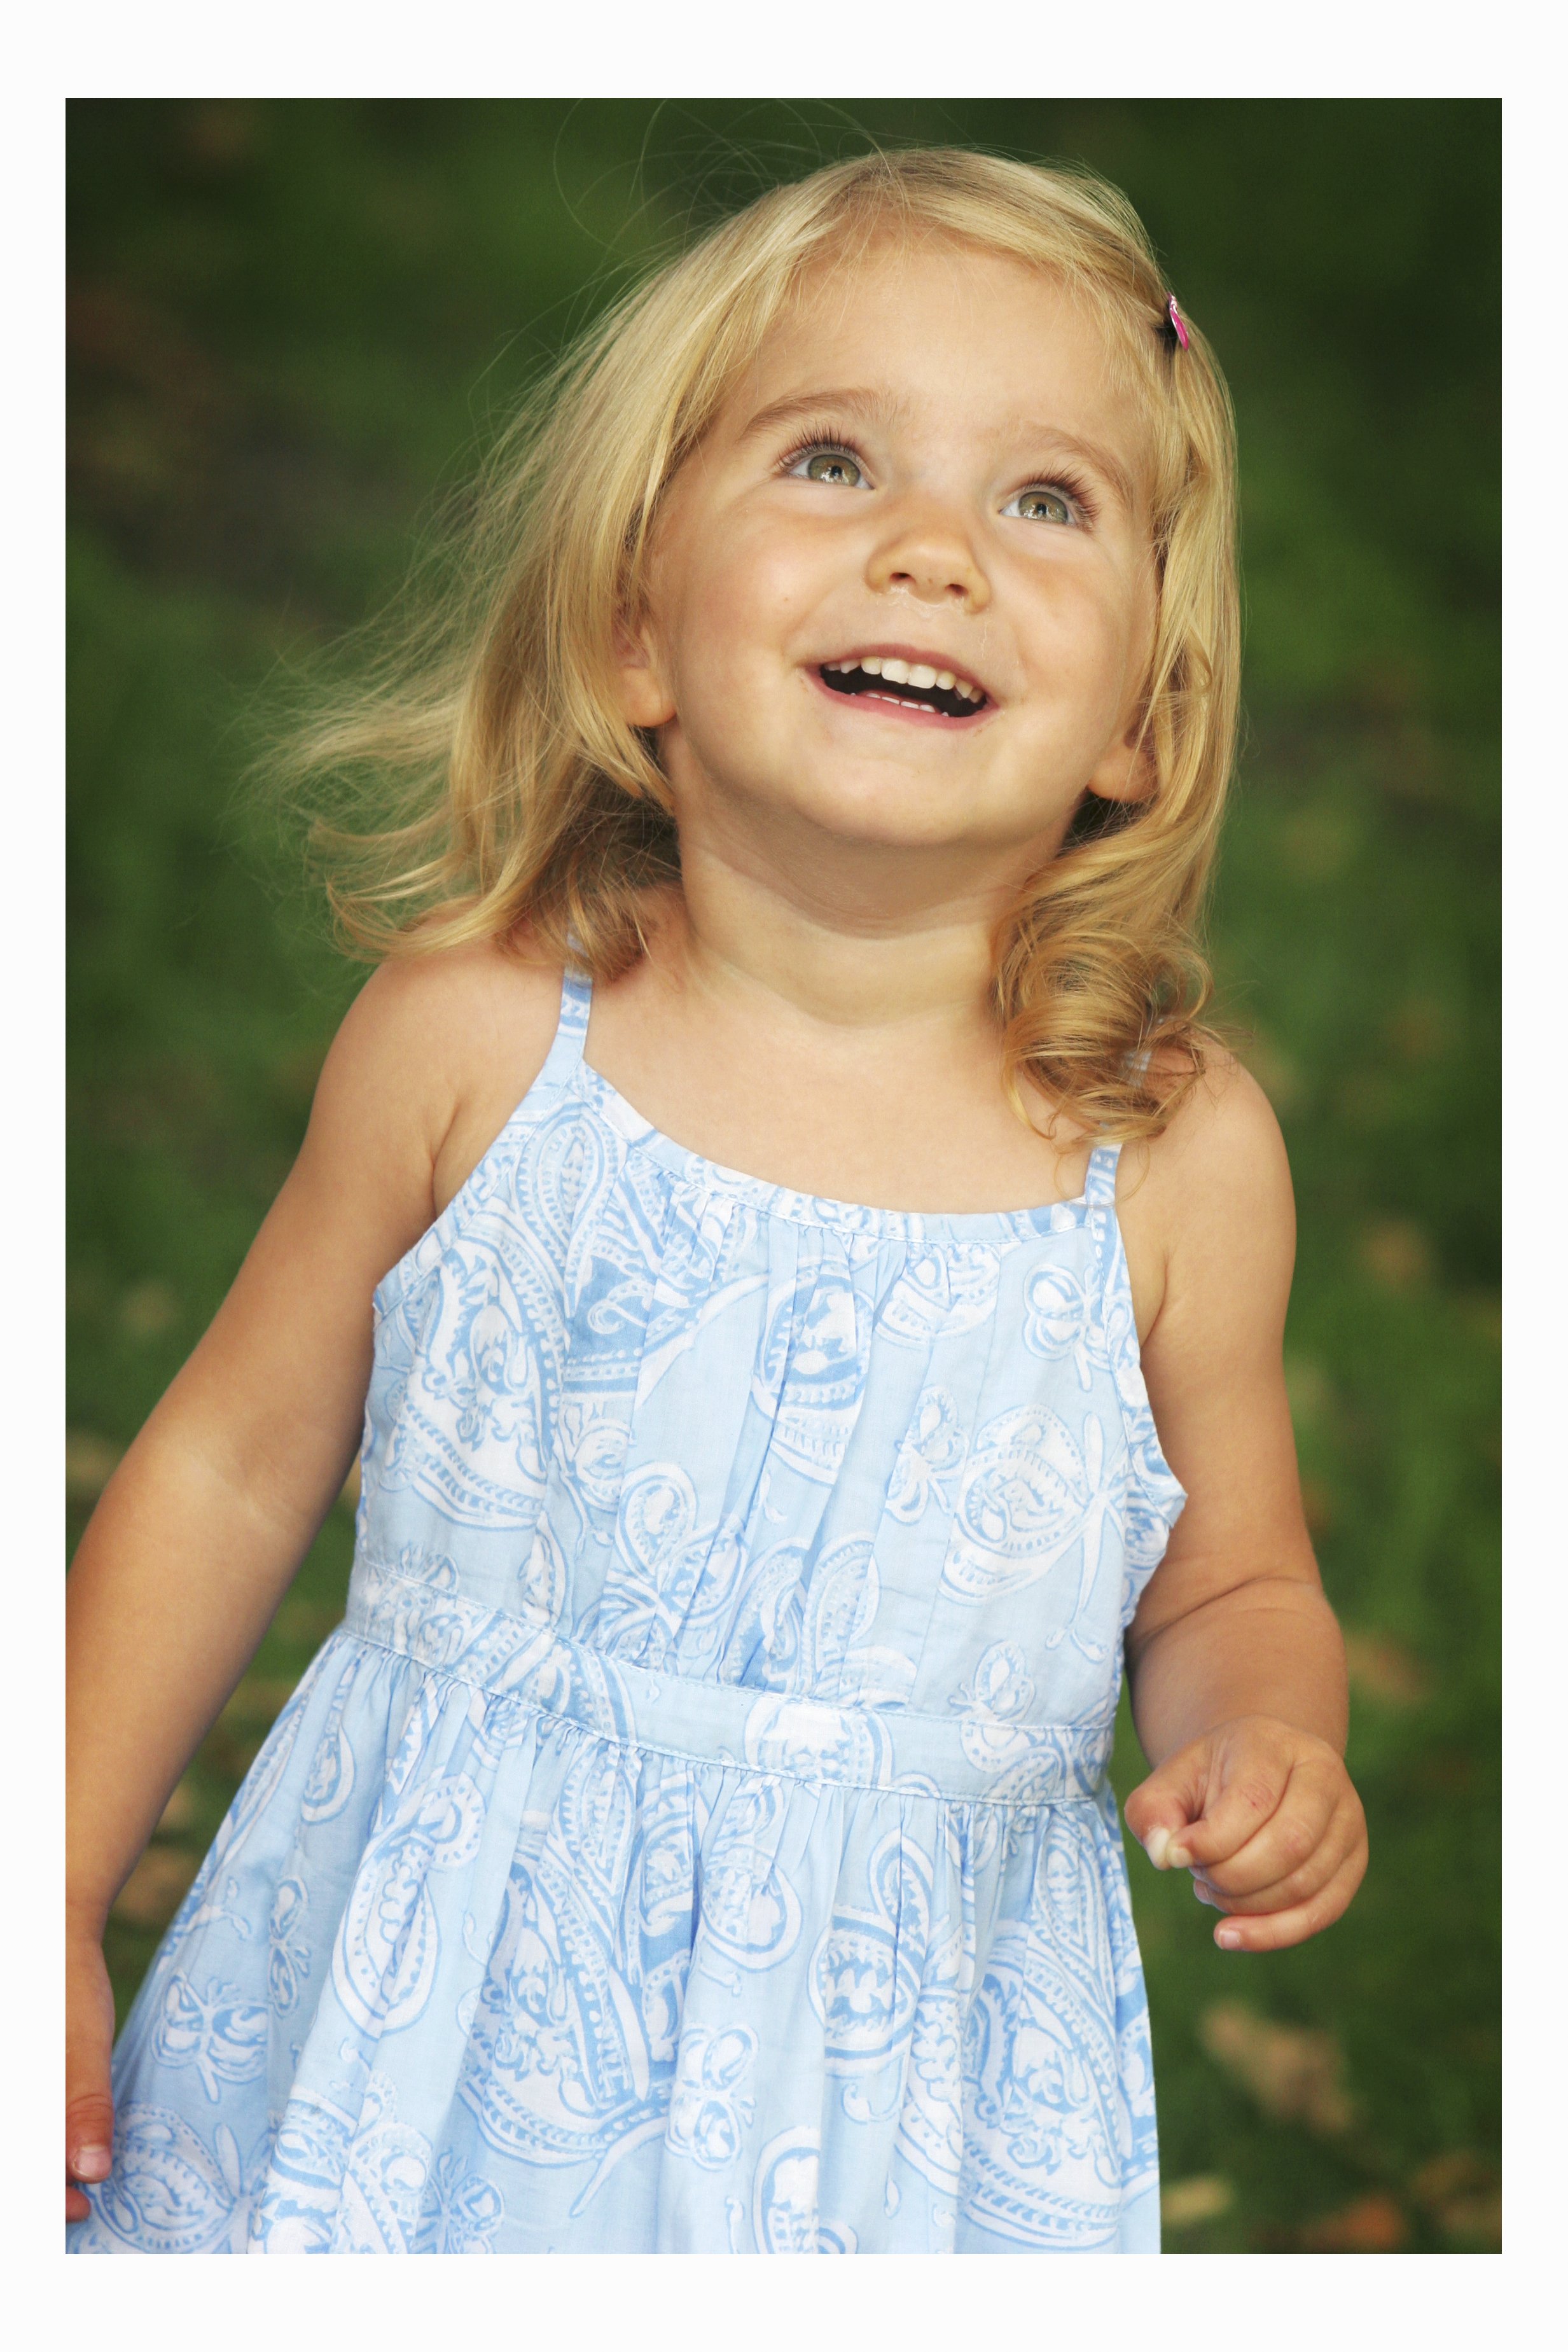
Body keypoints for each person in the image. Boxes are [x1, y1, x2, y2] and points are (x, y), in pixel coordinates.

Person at [65, 148, 1368, 2256]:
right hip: (402, 2053)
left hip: (893, 2124)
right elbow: (225, 1463)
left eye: (1045, 501)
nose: (934, 553)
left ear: (1139, 713)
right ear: (632, 623)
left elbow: (1223, 1585)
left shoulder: (1164, 1152)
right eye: (834, 461)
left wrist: (1271, 1734)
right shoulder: (479, 1042)